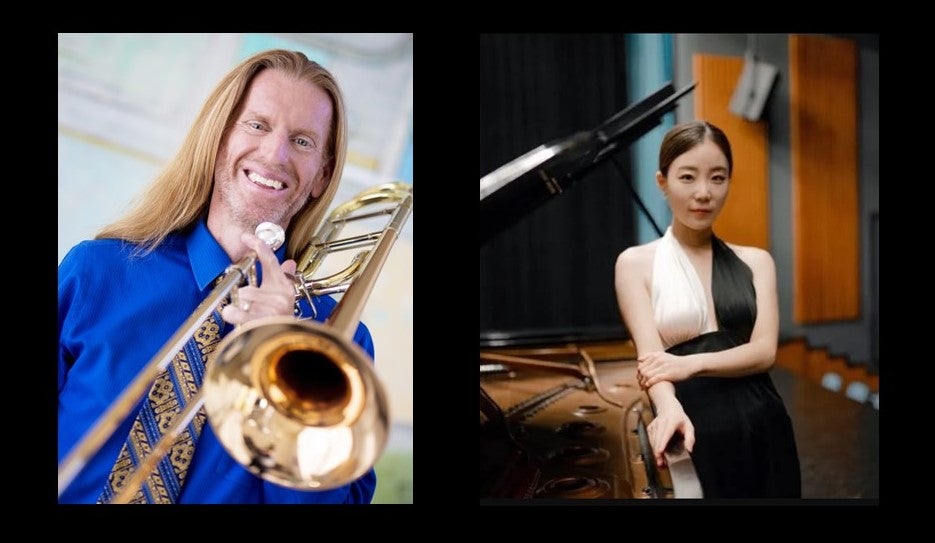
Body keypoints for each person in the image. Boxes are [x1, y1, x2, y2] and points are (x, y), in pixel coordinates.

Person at [58, 49, 377, 504]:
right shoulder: (96, 272)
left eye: (303, 141)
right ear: (219, 137)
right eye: (258, 125)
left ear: (321, 176)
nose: (275, 154)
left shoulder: (339, 344)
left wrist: (282, 365)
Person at [614, 120, 801, 498]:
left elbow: (764, 353)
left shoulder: (757, 261)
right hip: (694, 427)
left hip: (765, 422)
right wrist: (668, 409)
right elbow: (651, 358)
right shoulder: (634, 264)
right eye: (687, 177)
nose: (704, 193)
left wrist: (687, 364)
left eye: (718, 178)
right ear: (662, 181)